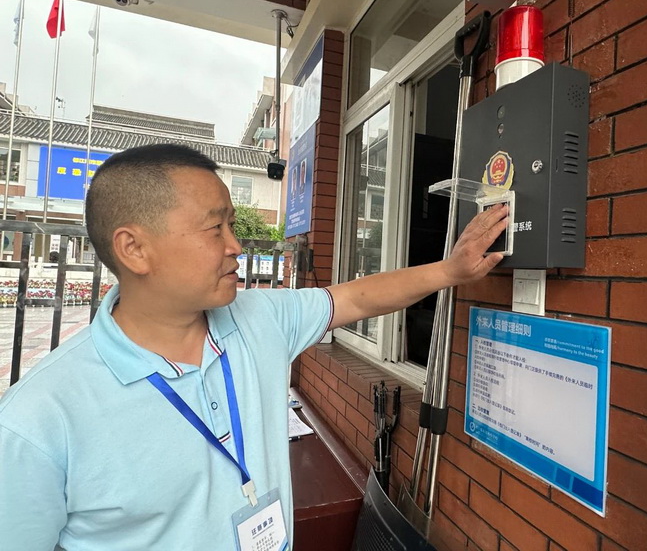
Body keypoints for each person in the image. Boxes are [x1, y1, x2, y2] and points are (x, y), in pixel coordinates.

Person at [0, 143, 508, 550]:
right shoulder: (39, 420)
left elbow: (355, 298)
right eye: (215, 227)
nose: (235, 246)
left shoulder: (259, 317)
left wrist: (452, 270)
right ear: (134, 248)